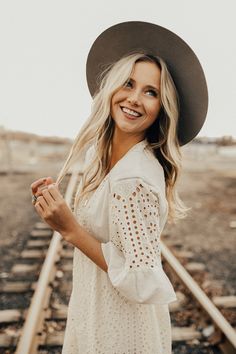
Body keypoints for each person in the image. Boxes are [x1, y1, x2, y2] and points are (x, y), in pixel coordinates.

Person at [30, 21, 208, 354]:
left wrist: (68, 227)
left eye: (150, 92)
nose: (135, 99)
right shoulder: (109, 160)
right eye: (129, 83)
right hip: (102, 314)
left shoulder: (132, 180)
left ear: (160, 108)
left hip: (120, 331)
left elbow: (141, 276)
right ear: (112, 87)